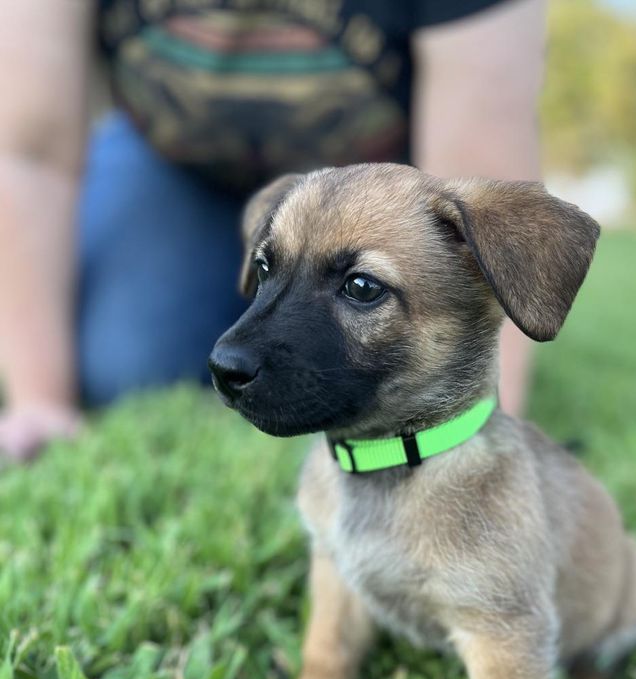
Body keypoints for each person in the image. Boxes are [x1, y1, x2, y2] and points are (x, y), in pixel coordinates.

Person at [0, 0, 545, 462]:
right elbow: (28, 153)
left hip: (384, 182)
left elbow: (482, 177)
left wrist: (482, 425)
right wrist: (40, 401)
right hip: (173, 165)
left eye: (361, 289)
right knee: (128, 364)